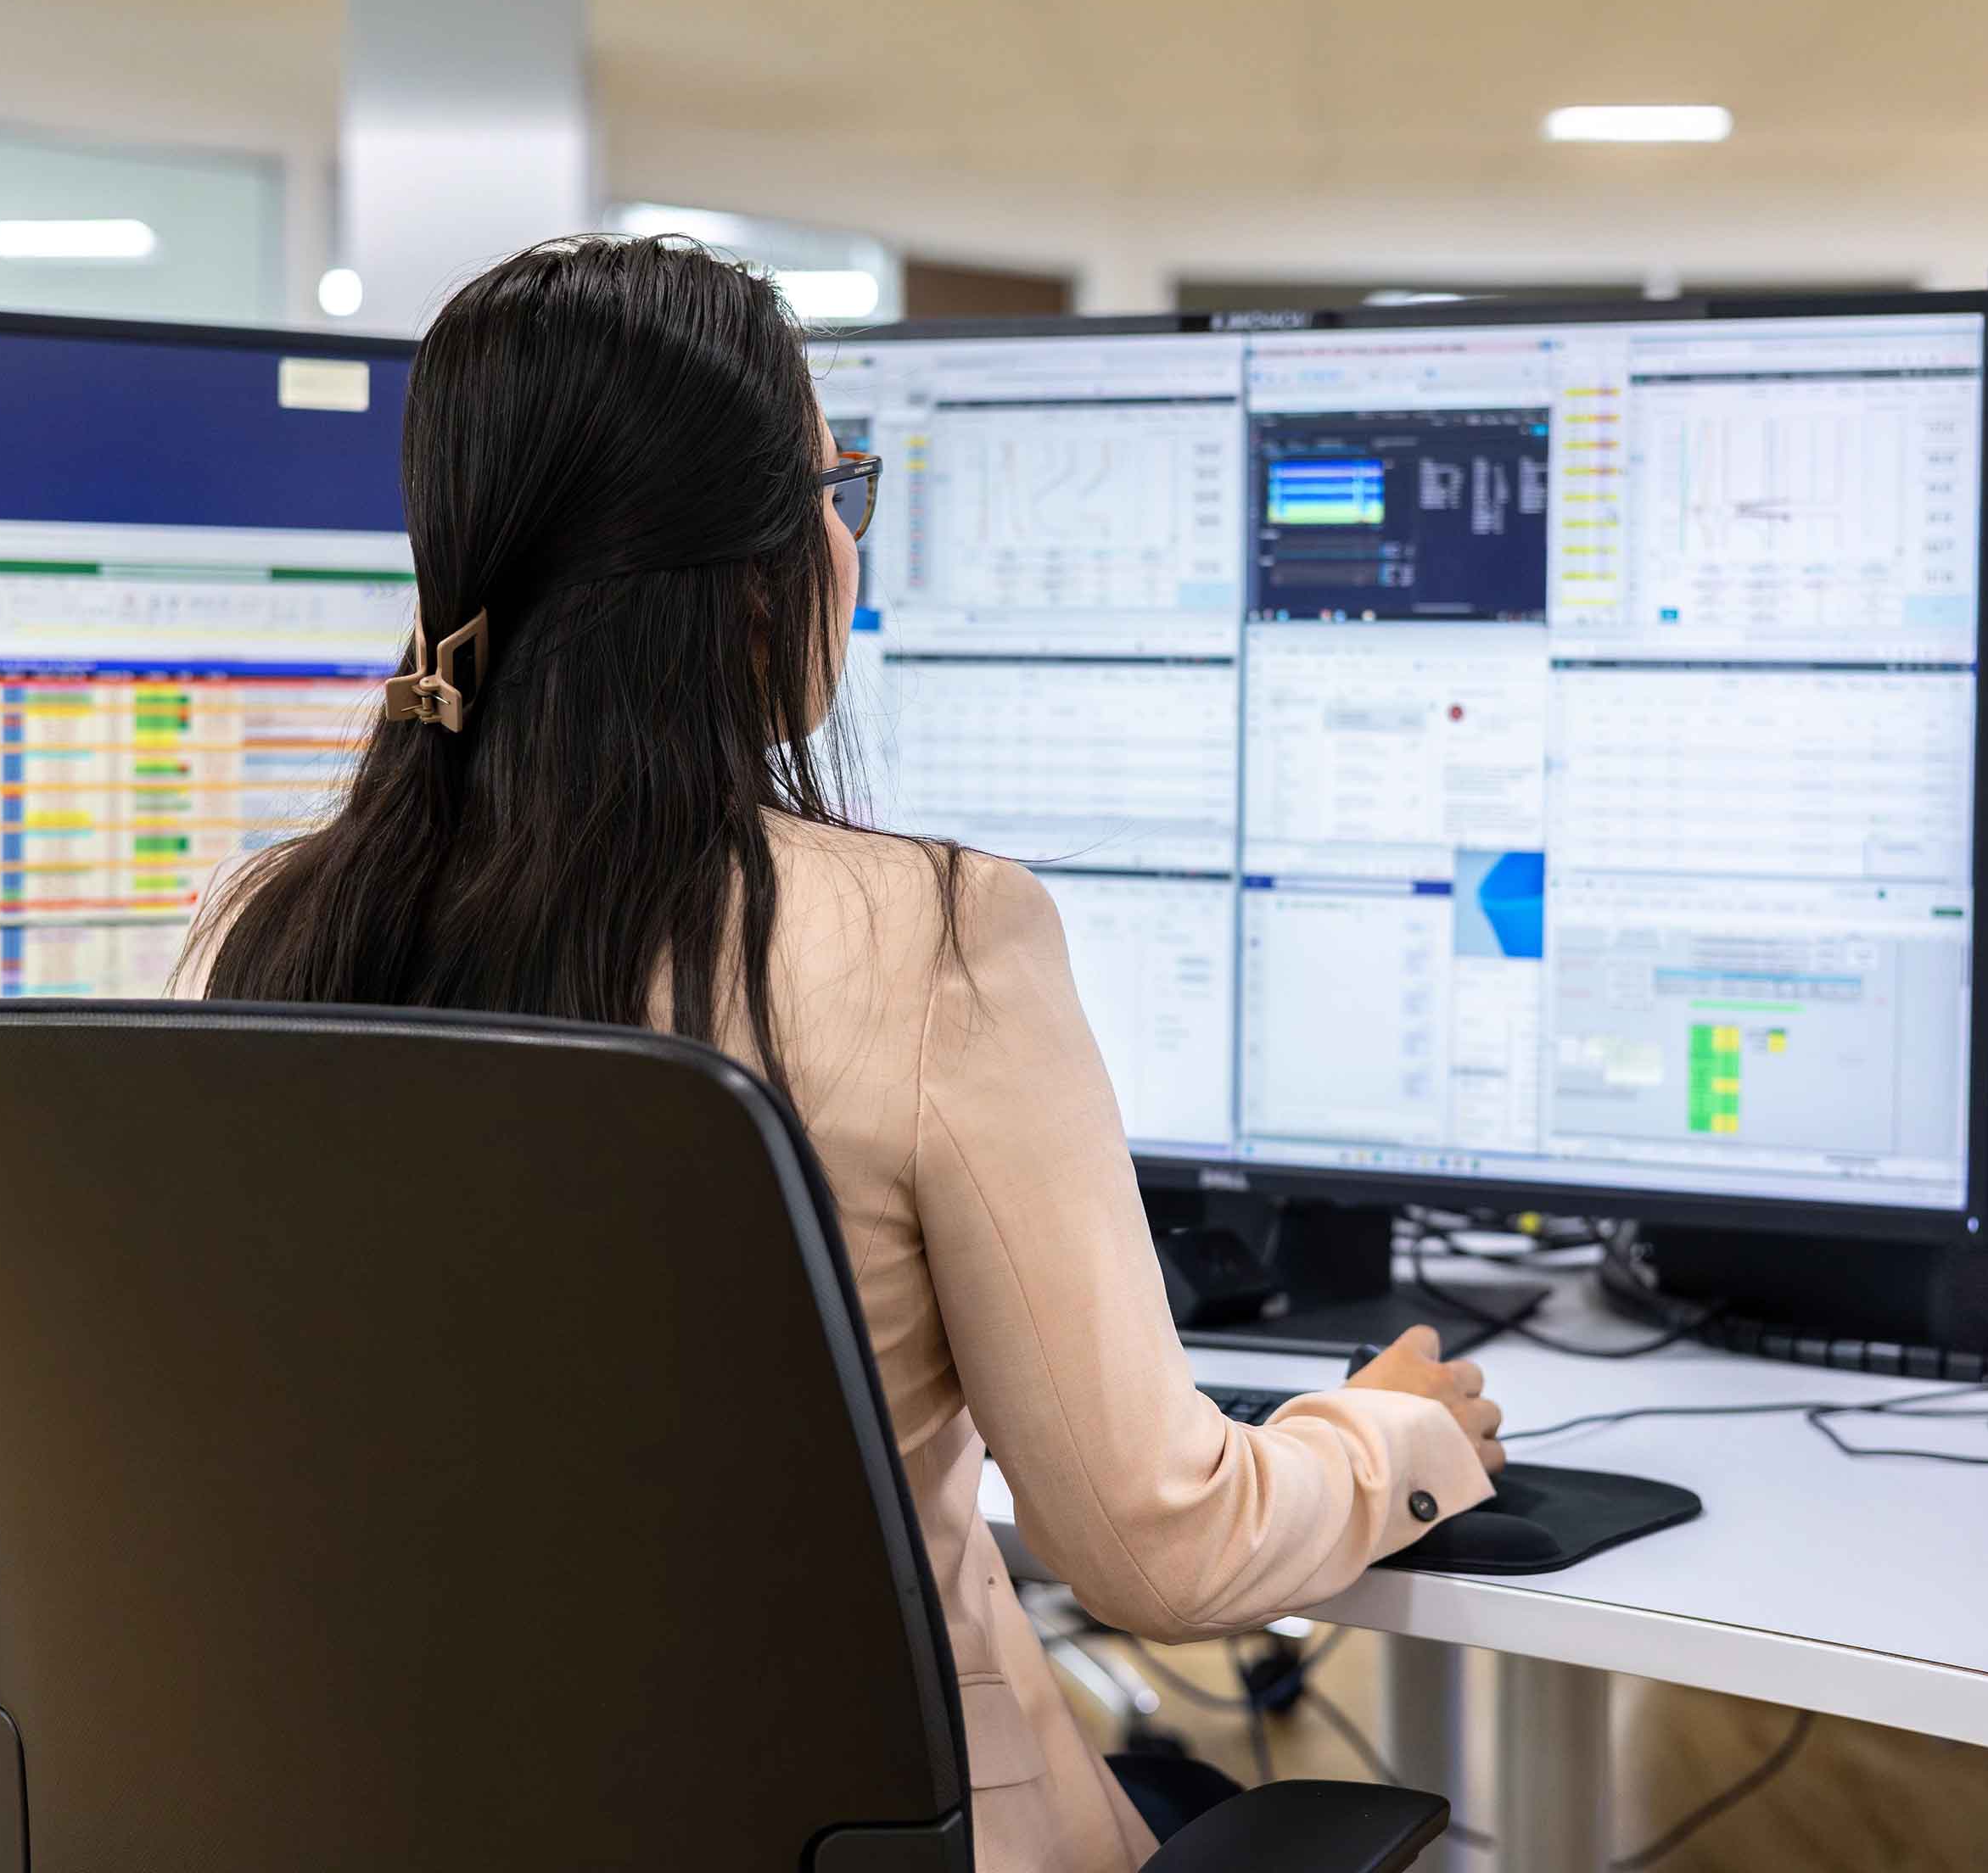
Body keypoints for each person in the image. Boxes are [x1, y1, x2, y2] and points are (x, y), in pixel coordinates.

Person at [178, 234, 1504, 1873]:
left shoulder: (278, 933)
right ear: (755, 575)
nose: (842, 543)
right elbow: (1161, 1551)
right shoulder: (938, 934)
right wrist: (1388, 1433)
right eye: (836, 492)